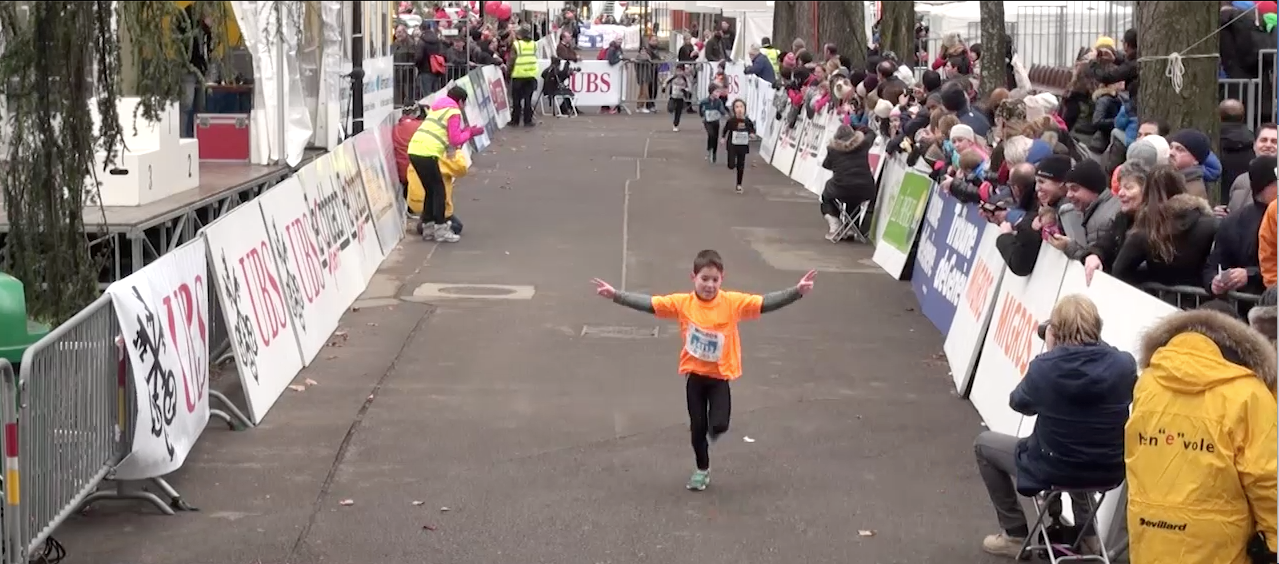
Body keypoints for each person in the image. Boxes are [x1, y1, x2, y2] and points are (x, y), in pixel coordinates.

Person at [590, 250, 816, 491]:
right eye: (704, 279)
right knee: (697, 428)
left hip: (719, 378)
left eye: (715, 280)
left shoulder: (732, 303)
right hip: (695, 378)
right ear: (693, 277)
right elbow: (650, 304)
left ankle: (712, 431)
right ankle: (702, 470)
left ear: (722, 279)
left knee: (718, 425)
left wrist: (796, 292)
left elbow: (764, 303)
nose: (709, 285)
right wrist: (616, 295)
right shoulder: (682, 303)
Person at [974, 294, 1136, 557]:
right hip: (1108, 469)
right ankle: (1089, 536)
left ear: (1056, 331)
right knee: (1080, 444)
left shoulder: (1045, 368)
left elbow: (1019, 403)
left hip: (1054, 466)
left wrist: (1052, 353)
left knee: (983, 445)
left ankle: (1014, 534)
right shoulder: (1123, 365)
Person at [1126, 308, 1277, 564]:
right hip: (1219, 545)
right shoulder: (1249, 394)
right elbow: (1266, 477)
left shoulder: (1148, 383)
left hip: (1150, 533)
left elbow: (1134, 454)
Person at [407, 86, 484, 243]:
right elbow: (455, 140)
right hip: (428, 152)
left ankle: (428, 228)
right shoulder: (453, 112)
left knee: (430, 190)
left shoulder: (437, 109)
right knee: (438, 190)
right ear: (461, 101)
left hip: (415, 149)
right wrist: (469, 133)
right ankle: (440, 230)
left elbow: (447, 134)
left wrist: (465, 131)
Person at [819, 124, 877, 241]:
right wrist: (856, 125)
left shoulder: (833, 149)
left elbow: (826, 165)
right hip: (866, 189)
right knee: (854, 196)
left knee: (827, 194)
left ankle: (835, 224)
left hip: (841, 188)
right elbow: (872, 133)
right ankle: (851, 228)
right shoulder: (863, 144)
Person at [721, 99, 756, 194]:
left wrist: (752, 134)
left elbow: (752, 130)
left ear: (744, 109)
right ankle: (733, 164)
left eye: (741, 107)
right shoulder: (732, 121)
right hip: (732, 144)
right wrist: (723, 138)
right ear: (734, 109)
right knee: (731, 165)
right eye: (737, 107)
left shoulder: (747, 121)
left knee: (741, 166)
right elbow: (725, 129)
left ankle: (739, 185)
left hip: (743, 145)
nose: (739, 109)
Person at [508, 27, 538, 127]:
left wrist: (508, 73)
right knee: (528, 99)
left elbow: (512, 60)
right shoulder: (534, 44)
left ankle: (515, 120)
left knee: (516, 99)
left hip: (518, 75)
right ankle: (528, 120)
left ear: (520, 35)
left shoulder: (516, 45)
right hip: (530, 75)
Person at [698, 85, 728, 163]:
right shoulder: (704, 101)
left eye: (719, 92)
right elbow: (700, 107)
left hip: (715, 121)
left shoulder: (719, 102)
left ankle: (714, 153)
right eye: (717, 92)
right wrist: (702, 115)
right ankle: (709, 149)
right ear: (711, 92)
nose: (719, 93)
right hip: (707, 121)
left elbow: (722, 109)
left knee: (715, 137)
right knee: (711, 134)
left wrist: (724, 114)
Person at [665, 64, 692, 132]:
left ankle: (675, 125)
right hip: (673, 96)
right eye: (677, 71)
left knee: (678, 112)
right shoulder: (673, 77)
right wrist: (663, 87)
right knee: (670, 108)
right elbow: (666, 81)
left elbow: (689, 88)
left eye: (680, 71)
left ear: (683, 71)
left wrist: (685, 89)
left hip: (680, 97)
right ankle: (672, 109)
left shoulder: (685, 79)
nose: (679, 73)